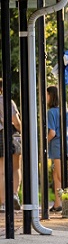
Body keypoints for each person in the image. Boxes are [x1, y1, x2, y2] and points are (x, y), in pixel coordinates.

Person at [46, 86, 68, 212]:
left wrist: (43, 142)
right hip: (67, 146)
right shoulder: (66, 111)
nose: (45, 98)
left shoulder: (51, 112)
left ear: (51, 96)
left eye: (46, 95)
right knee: (56, 175)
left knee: (61, 176)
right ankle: (58, 204)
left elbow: (52, 133)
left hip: (57, 148)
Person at [0, 78, 22, 212]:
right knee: (15, 167)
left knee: (1, 171)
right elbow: (16, 121)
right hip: (11, 134)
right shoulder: (7, 101)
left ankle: (2, 202)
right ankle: (14, 195)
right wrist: (22, 131)